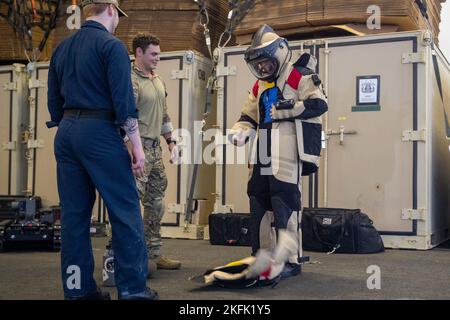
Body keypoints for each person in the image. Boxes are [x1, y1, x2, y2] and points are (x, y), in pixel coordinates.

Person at [47, 0, 157, 300]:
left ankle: (77, 291)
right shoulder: (112, 47)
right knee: (125, 212)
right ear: (111, 8)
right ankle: (134, 291)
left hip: (67, 132)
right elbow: (124, 103)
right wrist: (137, 147)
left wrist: (74, 130)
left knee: (73, 217)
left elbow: (54, 105)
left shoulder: (61, 49)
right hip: (100, 132)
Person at [230, 24, 328, 279]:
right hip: (261, 147)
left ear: (280, 52)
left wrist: (286, 110)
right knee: (258, 198)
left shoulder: (299, 75)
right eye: (259, 64)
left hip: (286, 147)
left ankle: (290, 260)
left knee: (286, 202)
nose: (263, 68)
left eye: (266, 62)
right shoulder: (259, 85)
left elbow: (319, 103)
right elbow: (248, 115)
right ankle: (262, 255)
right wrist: (239, 130)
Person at [129, 33, 181, 271]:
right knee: (129, 204)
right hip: (135, 151)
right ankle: (124, 254)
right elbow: (124, 117)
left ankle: (154, 253)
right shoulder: (130, 80)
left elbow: (164, 114)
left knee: (156, 203)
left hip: (155, 150)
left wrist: (171, 142)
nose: (158, 58)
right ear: (139, 53)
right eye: (153, 54)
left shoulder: (157, 80)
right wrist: (131, 149)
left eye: (159, 54)